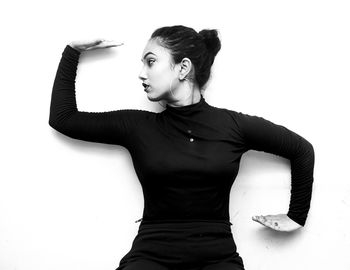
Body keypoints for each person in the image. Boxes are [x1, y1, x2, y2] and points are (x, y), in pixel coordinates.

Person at [49, 25, 315, 270]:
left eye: (151, 62)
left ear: (183, 67)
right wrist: (73, 51)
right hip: (151, 255)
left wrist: (296, 215)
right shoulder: (137, 126)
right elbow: (63, 119)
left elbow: (301, 150)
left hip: (217, 257)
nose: (142, 73)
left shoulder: (233, 125)